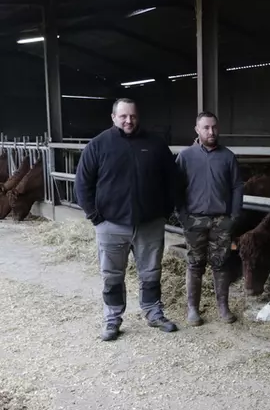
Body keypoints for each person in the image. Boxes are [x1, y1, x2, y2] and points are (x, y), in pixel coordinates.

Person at [74, 98, 179, 341]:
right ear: (113, 117)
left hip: (150, 223)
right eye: (123, 116)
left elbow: (172, 180)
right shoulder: (98, 145)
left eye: (132, 116)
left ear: (138, 116)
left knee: (151, 271)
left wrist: (164, 211)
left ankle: (153, 312)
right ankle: (112, 319)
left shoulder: (155, 144)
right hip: (110, 224)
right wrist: (95, 216)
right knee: (111, 275)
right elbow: (82, 184)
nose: (128, 120)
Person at [175, 111, 243, 326]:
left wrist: (234, 215)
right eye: (206, 127)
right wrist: (183, 216)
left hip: (221, 219)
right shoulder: (185, 157)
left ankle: (223, 306)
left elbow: (237, 187)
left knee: (221, 264)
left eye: (214, 127)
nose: (211, 131)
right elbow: (176, 188)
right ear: (197, 130)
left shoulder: (228, 156)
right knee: (195, 264)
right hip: (194, 220)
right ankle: (193, 309)